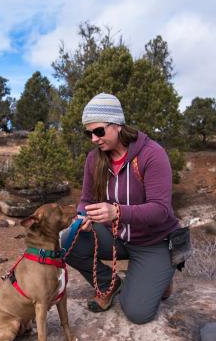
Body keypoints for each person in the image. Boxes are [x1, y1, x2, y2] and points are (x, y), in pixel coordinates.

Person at [63, 92, 180, 324]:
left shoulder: (152, 155)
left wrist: (117, 212)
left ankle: (161, 273)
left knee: (137, 313)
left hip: (153, 242)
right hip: (117, 237)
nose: (94, 139)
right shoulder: (94, 159)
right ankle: (109, 283)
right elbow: (86, 200)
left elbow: (160, 210)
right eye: (89, 133)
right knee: (66, 241)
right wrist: (83, 216)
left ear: (117, 125)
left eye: (98, 131)